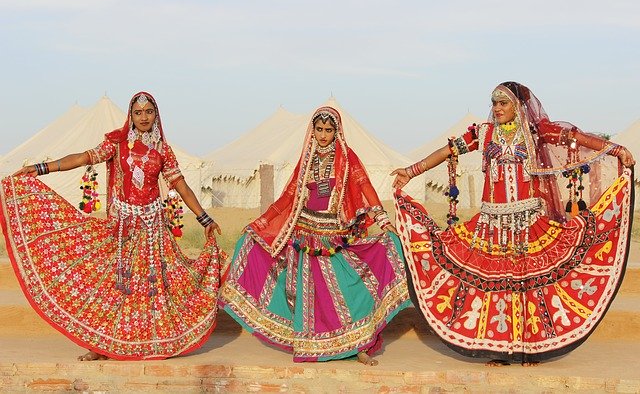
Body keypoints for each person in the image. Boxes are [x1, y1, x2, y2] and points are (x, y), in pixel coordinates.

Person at [391, 81, 635, 366]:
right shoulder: (483, 134)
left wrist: (614, 148)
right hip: (491, 224)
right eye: (494, 103)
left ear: (517, 106)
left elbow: (575, 137)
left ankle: (531, 349)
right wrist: (411, 171)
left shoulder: (535, 132)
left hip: (529, 222)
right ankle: (499, 350)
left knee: (529, 286)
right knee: (497, 288)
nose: (497, 108)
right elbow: (448, 151)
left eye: (503, 103)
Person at [0, 91, 225, 361]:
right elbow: (83, 158)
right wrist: (41, 168)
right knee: (113, 284)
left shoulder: (163, 151)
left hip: (153, 230)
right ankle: (101, 346)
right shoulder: (117, 144)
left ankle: (153, 340)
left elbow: (180, 185)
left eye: (149, 112)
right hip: (121, 229)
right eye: (138, 112)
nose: (144, 117)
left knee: (154, 286)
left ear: (157, 115)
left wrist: (204, 217)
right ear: (130, 116)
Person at [220, 105, 411, 365]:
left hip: (333, 233)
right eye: (319, 129)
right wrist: (261, 222)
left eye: (328, 130)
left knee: (346, 289)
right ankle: (311, 345)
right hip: (304, 233)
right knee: (310, 295)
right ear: (313, 130)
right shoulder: (307, 158)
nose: (323, 135)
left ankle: (359, 345)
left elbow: (364, 184)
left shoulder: (346, 157)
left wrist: (382, 219)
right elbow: (288, 196)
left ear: (337, 131)